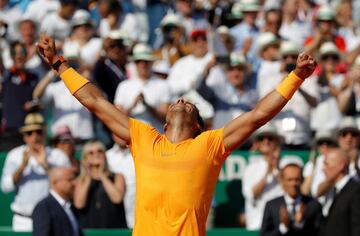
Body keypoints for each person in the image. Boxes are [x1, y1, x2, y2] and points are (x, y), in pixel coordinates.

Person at [37, 34, 316, 236]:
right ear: (165, 124)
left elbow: (258, 115)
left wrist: (296, 77)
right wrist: (58, 64)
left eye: (189, 104)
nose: (181, 100)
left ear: (197, 127)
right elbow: (96, 102)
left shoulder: (209, 145)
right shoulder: (144, 137)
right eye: (177, 102)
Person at [0, 112, 70, 231]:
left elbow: (67, 185)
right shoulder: (14, 155)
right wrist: (22, 167)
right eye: (29, 133)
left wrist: (46, 166)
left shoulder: (58, 156)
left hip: (52, 218)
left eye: (38, 131)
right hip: (23, 220)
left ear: (44, 133)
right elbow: (5, 187)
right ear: (24, 136)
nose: (34, 136)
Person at [73, 140, 127, 228]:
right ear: (85, 158)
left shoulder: (118, 177)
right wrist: (88, 176)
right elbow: (79, 204)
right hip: (89, 230)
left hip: (114, 230)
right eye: (91, 153)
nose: (96, 155)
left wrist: (102, 175)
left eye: (100, 151)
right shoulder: (80, 180)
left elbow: (117, 198)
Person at [260, 163, 322, 236]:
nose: (293, 184)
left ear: (302, 180)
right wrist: (283, 228)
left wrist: (299, 224)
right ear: (282, 180)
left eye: (297, 179)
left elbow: (319, 233)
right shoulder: (272, 206)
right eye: (289, 180)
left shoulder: (313, 205)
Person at [242, 123, 284, 230]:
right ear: (257, 144)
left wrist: (276, 169)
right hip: (257, 225)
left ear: (277, 142)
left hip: (280, 227)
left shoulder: (286, 165)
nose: (266, 141)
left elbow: (291, 193)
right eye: (262, 138)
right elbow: (252, 195)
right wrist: (268, 171)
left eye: (270, 138)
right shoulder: (250, 168)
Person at [319, 147, 360, 236]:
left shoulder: (356, 191)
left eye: (326, 164)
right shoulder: (332, 191)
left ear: (341, 165)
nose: (323, 169)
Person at [32, 167, 83, 236]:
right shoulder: (44, 207)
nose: (74, 183)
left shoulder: (69, 206)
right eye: (70, 180)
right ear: (55, 182)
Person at [106, 134, 136, 228]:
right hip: (114, 217)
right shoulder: (106, 156)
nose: (119, 134)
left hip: (137, 215)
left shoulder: (140, 154)